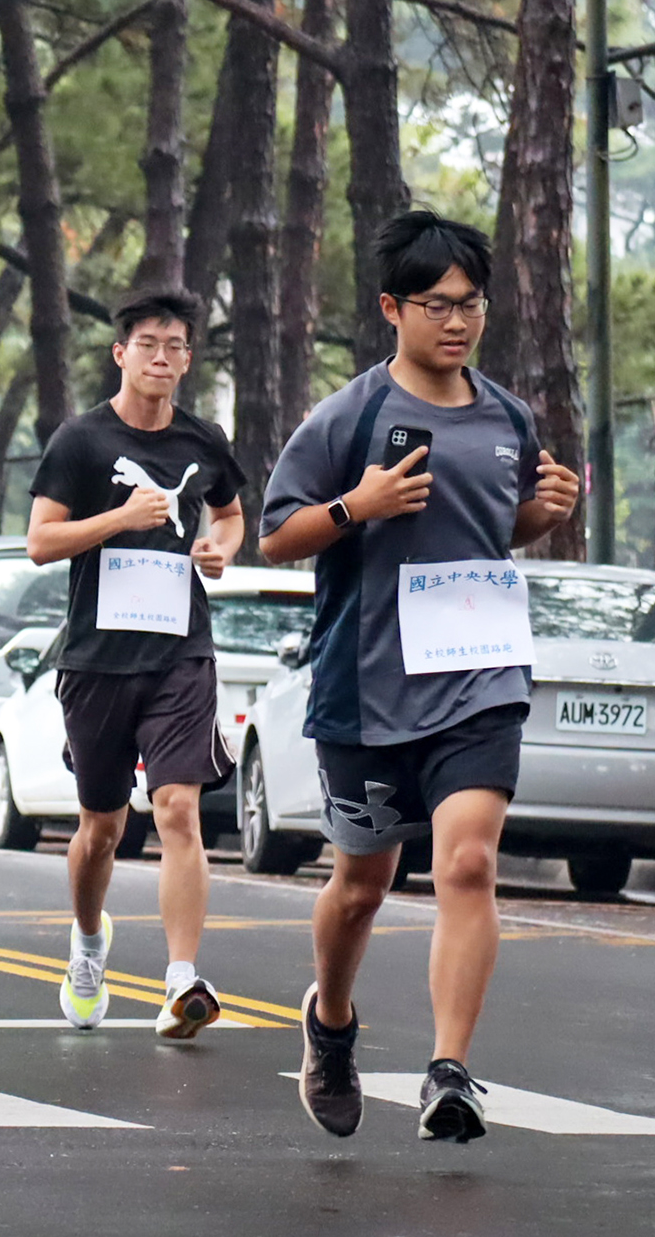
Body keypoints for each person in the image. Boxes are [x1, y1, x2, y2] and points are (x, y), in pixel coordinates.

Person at [259, 211, 579, 1144]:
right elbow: (279, 534)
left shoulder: (509, 416)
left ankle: (450, 1070)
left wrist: (540, 517)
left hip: (480, 675)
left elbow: (495, 529)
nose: (458, 321)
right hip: (366, 685)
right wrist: (357, 504)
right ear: (392, 309)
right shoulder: (349, 415)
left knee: (470, 861)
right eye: (438, 304)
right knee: (361, 885)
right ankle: (332, 1023)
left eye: (472, 304)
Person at [25, 287, 246, 1040]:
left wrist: (220, 547)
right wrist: (122, 518)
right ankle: (89, 942)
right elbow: (40, 542)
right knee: (102, 827)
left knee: (179, 806)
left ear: (187, 359)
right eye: (148, 344)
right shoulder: (80, 441)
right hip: (98, 657)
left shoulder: (203, 440)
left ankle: (182, 978)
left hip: (182, 649)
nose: (161, 357)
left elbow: (230, 511)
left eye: (175, 346)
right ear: (121, 354)